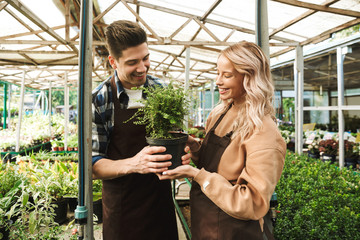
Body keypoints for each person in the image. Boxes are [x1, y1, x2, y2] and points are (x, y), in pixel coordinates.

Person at [159, 41, 286, 240]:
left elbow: (253, 202)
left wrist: (197, 175)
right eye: (218, 73)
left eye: (227, 75)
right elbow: (216, 166)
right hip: (205, 223)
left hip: (234, 231)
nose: (218, 81)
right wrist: (195, 148)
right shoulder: (221, 112)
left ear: (249, 77)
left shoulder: (263, 131)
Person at [91, 20, 184, 240]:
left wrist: (182, 153)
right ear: (113, 61)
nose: (142, 68)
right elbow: (92, 166)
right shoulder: (100, 98)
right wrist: (135, 163)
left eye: (146, 58)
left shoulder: (161, 91)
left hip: (159, 204)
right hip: (123, 210)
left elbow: (174, 138)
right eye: (133, 62)